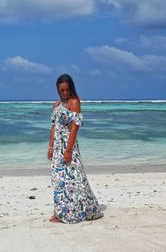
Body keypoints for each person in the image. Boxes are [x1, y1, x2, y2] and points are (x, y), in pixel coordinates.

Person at [47, 74, 104, 224]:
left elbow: (74, 129)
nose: (65, 93)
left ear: (71, 88)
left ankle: (78, 211)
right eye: (62, 90)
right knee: (59, 181)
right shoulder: (56, 105)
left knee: (75, 179)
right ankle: (60, 212)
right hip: (58, 147)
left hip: (68, 146)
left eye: (67, 90)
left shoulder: (74, 102)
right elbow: (53, 127)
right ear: (58, 90)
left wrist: (69, 150)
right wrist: (50, 146)